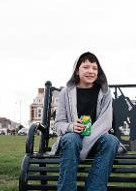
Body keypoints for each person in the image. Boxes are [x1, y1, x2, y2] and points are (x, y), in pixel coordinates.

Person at [51, 52, 120, 191]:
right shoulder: (66, 92)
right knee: (71, 139)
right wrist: (71, 126)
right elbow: (58, 124)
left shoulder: (105, 92)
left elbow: (106, 122)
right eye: (86, 67)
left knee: (111, 141)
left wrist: (86, 144)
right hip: (73, 141)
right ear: (77, 71)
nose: (91, 71)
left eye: (95, 68)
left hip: (96, 140)